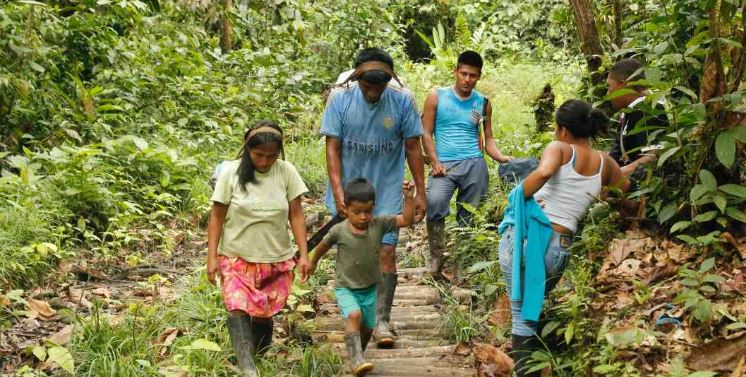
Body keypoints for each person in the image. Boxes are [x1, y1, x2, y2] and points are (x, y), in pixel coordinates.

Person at [497, 100, 629, 377]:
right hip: (560, 247)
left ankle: (527, 372)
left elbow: (544, 172)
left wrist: (517, 198)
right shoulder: (606, 163)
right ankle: (537, 365)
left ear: (563, 130)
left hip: (528, 239)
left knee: (522, 314)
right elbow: (624, 192)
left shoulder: (560, 148)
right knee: (531, 308)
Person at [321, 47, 426, 347]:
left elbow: (413, 147)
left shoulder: (402, 101)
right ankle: (356, 312)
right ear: (357, 80)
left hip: (388, 190)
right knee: (353, 253)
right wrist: (338, 191)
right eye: (367, 86)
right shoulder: (340, 100)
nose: (373, 92)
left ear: (388, 82)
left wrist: (421, 191)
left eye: (379, 87)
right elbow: (333, 148)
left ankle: (381, 321)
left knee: (386, 253)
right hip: (352, 194)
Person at [207, 120, 310, 377]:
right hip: (236, 255)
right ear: (247, 150)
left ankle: (257, 355)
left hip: (275, 257)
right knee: (237, 305)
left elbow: (296, 215)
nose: (264, 161)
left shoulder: (286, 172)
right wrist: (211, 257)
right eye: (258, 155)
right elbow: (217, 216)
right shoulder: (230, 173)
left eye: (271, 156)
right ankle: (247, 365)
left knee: (264, 313)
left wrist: (305, 254)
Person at [306, 178, 415, 376]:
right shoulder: (339, 230)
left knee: (367, 328)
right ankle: (355, 359)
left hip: (370, 287)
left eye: (368, 211)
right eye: (357, 212)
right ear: (346, 209)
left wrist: (409, 198)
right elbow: (322, 245)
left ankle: (359, 356)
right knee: (353, 315)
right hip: (346, 286)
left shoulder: (379, 224)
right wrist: (312, 262)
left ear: (374, 208)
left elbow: (406, 220)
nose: (364, 217)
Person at [420, 50, 513, 279]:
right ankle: (435, 259)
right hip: (444, 166)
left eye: (473, 75)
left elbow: (488, 138)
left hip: (474, 164)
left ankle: (463, 262)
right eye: (463, 74)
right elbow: (425, 131)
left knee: (470, 214)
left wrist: (500, 157)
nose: (467, 80)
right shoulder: (437, 96)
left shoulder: (483, 103)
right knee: (435, 203)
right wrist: (434, 160)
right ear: (456, 71)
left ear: (479, 76)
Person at [606, 58, 669, 177]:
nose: (608, 93)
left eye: (609, 86)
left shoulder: (646, 109)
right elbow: (618, 154)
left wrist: (619, 175)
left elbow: (655, 155)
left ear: (623, 85)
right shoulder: (631, 111)